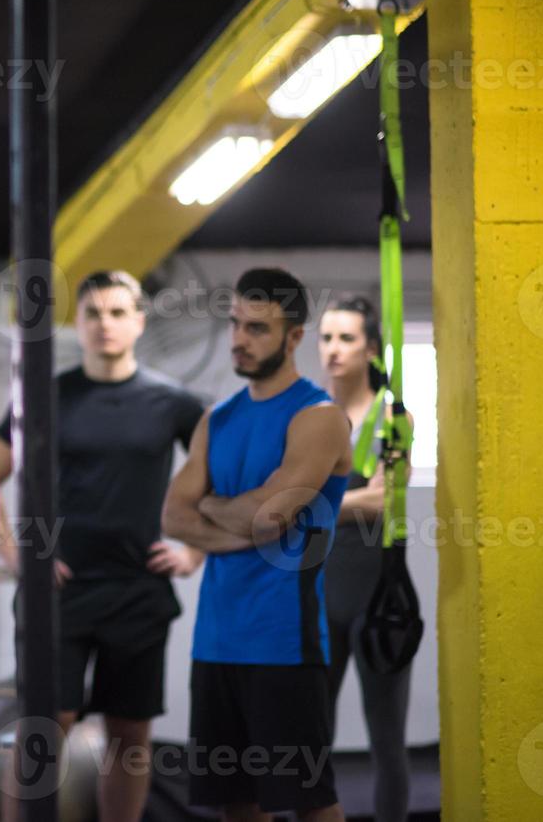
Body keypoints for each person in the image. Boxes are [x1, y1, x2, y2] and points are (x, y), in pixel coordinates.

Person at [0, 270, 204, 822]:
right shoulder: (45, 396)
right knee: (46, 727)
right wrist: (17, 556)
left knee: (129, 734)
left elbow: (223, 477)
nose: (104, 324)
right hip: (58, 592)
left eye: (115, 312)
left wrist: (195, 551)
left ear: (138, 320)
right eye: (92, 314)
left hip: (138, 590)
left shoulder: (173, 402)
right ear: (77, 324)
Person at [162, 267, 351, 822]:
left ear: (294, 337)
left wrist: (216, 506)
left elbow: (270, 518)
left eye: (258, 329)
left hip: (284, 643)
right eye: (236, 324)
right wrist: (241, 517)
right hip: (217, 642)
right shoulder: (215, 419)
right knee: (235, 803)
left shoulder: (317, 418)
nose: (240, 340)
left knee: (310, 802)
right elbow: (173, 515)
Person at [318, 296, 412, 821]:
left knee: (387, 742)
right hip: (319, 595)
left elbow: (386, 499)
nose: (333, 350)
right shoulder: (308, 415)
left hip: (381, 600)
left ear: (370, 348)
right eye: (326, 338)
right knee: (311, 740)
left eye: (347, 338)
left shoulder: (392, 416)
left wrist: (318, 504)